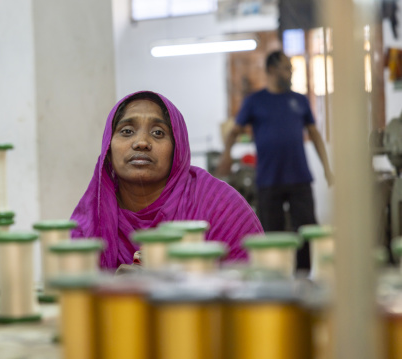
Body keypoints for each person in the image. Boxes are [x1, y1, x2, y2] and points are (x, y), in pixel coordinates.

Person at [71, 91, 263, 269]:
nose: (141, 143)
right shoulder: (92, 219)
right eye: (127, 131)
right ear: (108, 148)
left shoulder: (219, 207)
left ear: (177, 149)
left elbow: (258, 287)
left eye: (158, 133)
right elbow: (69, 295)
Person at [216, 50, 333, 269]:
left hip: (299, 178)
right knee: (271, 235)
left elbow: (314, 133)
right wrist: (226, 156)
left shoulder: (299, 100)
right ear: (271, 70)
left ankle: (304, 277)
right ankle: (277, 280)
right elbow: (234, 131)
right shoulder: (255, 101)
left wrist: (327, 168)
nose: (291, 72)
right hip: (269, 180)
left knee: (306, 232)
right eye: (287, 68)